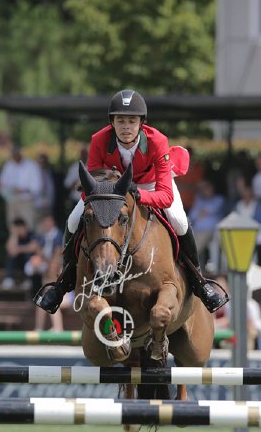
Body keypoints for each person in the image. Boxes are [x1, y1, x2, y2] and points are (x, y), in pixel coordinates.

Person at [39, 89, 229, 315]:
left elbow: (165, 196)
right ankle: (63, 283)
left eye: (132, 121)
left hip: (151, 185)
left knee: (179, 221)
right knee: (73, 221)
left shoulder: (157, 141)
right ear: (112, 122)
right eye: (121, 120)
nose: (126, 126)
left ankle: (199, 282)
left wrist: (138, 195)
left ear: (141, 123)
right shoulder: (99, 140)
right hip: (110, 191)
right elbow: (91, 187)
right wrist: (107, 200)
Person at [24, 213, 66, 331]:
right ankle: (39, 328)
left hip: (66, 297)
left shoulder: (58, 237)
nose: (45, 224)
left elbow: (57, 253)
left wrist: (48, 262)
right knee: (42, 300)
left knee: (49, 299)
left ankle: (58, 328)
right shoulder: (42, 237)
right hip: (48, 269)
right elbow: (36, 249)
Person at [0, 144, 42, 231]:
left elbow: (37, 186)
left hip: (26, 201)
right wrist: (8, 189)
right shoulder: (8, 165)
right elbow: (2, 182)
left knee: (28, 226)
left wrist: (22, 190)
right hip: (12, 201)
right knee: (12, 227)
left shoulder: (31, 165)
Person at [187, 179, 226, 268]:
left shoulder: (219, 199)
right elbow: (192, 215)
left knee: (194, 249)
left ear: (213, 188)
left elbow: (209, 210)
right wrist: (202, 212)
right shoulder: (199, 200)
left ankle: (190, 266)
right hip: (196, 230)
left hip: (210, 231)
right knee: (186, 241)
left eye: (207, 188)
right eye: (203, 189)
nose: (205, 190)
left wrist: (201, 212)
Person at [1, 217, 39, 289]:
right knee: (11, 256)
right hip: (17, 263)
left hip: (29, 262)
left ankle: (28, 280)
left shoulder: (31, 234)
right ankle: (9, 279)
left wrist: (19, 249)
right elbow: (9, 250)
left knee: (28, 254)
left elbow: (34, 247)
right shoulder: (15, 236)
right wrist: (14, 235)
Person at [34, 153, 56, 227]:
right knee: (38, 225)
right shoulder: (33, 173)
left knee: (47, 224)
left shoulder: (48, 172)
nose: (42, 164)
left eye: (44, 162)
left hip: (48, 204)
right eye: (40, 162)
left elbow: (51, 190)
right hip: (36, 204)